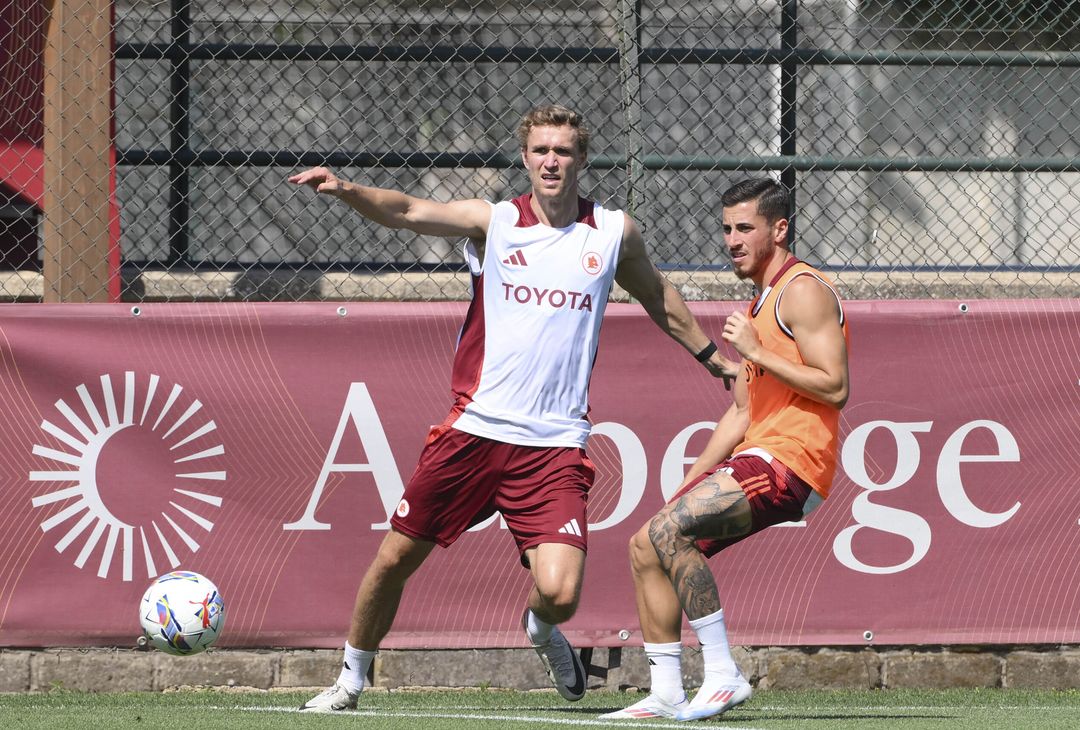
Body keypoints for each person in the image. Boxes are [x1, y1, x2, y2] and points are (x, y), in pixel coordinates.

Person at [287, 104, 736, 713]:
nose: (552, 161)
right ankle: (350, 678)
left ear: (582, 159)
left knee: (560, 592)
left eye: (565, 151)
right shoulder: (493, 222)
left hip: (553, 445)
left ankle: (542, 630)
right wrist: (347, 190)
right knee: (395, 557)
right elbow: (410, 211)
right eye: (542, 150)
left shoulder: (612, 232)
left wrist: (713, 357)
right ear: (525, 159)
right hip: (474, 431)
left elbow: (658, 294)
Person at [600, 178, 850, 722]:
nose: (731, 240)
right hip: (759, 452)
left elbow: (835, 386)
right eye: (726, 228)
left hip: (792, 462)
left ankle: (722, 672)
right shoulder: (759, 300)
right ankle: (665, 690)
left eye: (744, 228)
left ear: (779, 230)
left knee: (669, 533)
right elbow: (741, 411)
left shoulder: (802, 290)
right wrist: (694, 477)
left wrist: (757, 350)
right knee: (647, 544)